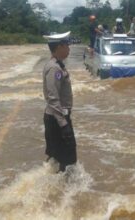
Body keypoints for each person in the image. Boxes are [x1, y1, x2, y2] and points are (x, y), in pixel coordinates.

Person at [42, 31, 77, 172]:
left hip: (57, 117)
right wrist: (64, 125)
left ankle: (55, 186)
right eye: (67, 46)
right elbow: (52, 98)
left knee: (57, 157)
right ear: (59, 47)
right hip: (57, 119)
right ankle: (63, 189)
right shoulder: (54, 68)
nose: (69, 49)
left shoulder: (57, 64)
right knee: (68, 159)